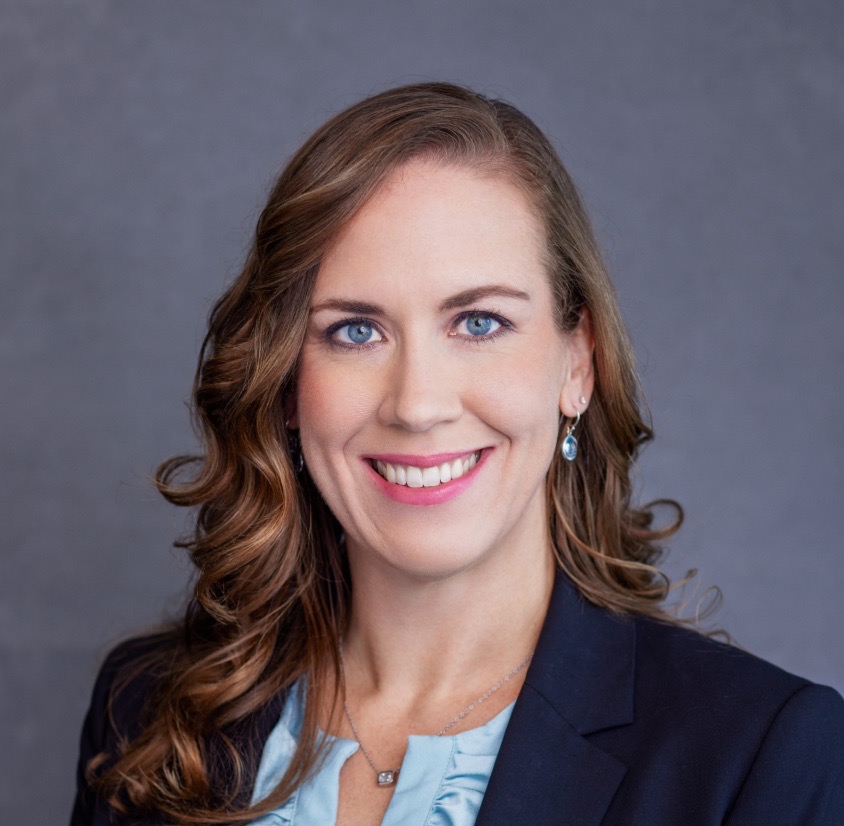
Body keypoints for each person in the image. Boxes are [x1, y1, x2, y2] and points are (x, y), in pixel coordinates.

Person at [71, 82, 844, 826]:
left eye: (477, 323)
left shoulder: (762, 755)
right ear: (286, 384)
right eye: (355, 330)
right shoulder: (143, 708)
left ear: (578, 363)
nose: (417, 404)